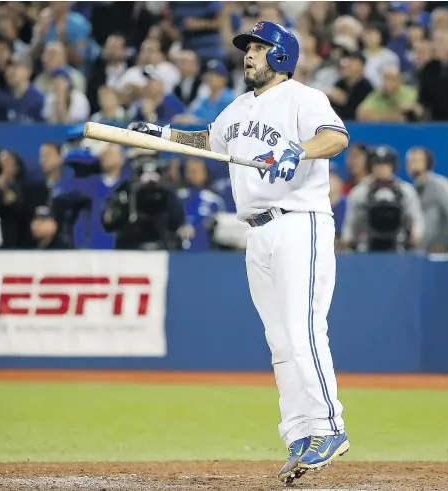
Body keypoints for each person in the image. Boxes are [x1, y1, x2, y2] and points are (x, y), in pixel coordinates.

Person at [128, 20, 349, 485]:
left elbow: (336, 138)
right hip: (257, 232)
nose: (249, 54)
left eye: (259, 47)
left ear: (282, 55)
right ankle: (300, 433)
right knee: (279, 341)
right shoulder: (237, 108)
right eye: (247, 47)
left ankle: (330, 426)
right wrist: (162, 135)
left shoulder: (304, 98)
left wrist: (299, 150)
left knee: (303, 327)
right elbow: (209, 141)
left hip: (299, 222)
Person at [405, 147, 448, 252]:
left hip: (438, 252)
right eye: (409, 161)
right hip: (419, 252)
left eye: (416, 160)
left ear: (427, 162)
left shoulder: (440, 184)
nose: (411, 164)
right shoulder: (412, 189)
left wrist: (443, 242)